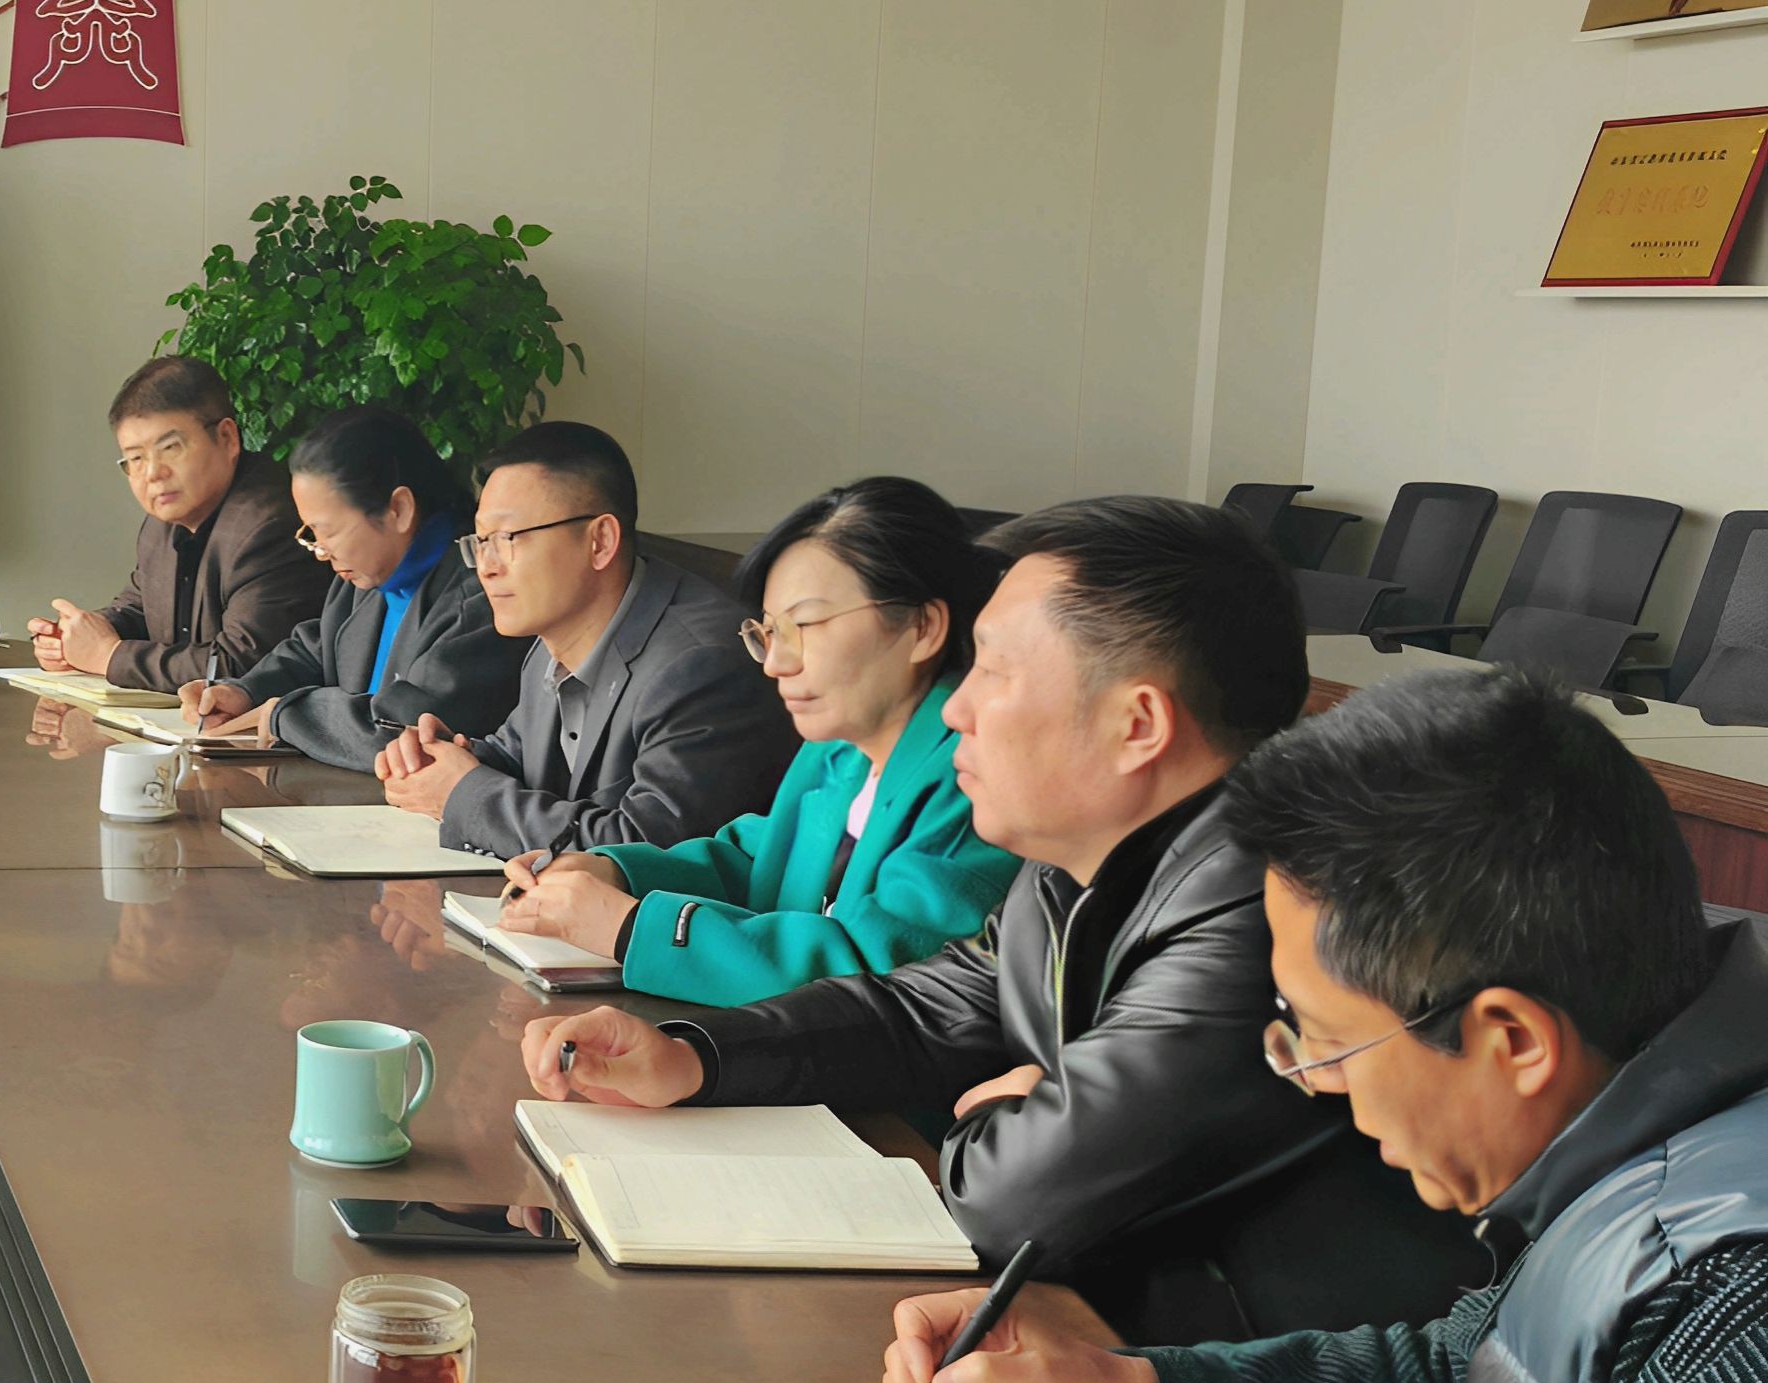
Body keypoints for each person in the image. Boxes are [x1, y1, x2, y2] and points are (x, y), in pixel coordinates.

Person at [844, 667, 1768, 1383]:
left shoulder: (1732, 1326)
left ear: (1512, 1039)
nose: (1316, 1081)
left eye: (1326, 1038)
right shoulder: (1650, 1116)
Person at [516, 497, 1475, 1339]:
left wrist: (1001, 1114)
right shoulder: (1077, 862)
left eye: (995, 673)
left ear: (1138, 725)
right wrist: (693, 1057)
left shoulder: (1262, 905)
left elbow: (1020, 1200)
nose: (956, 710)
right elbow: (917, 1009)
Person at [498, 476, 1020, 1007]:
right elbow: (758, 861)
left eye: (806, 626)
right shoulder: (839, 747)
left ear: (923, 627)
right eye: (769, 634)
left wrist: (633, 926)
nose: (776, 663)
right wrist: (613, 871)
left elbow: (880, 979)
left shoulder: (975, 776)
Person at [384, 420, 792, 854]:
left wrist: (463, 792)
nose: (486, 566)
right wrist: (441, 761)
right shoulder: (553, 637)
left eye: (507, 539)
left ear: (600, 541)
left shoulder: (701, 666)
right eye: (481, 541)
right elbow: (517, 758)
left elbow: (640, 850)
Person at [176, 406, 523, 771]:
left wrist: (286, 714)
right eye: (312, 533)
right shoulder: (369, 571)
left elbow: (405, 732)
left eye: (329, 532)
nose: (321, 551)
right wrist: (244, 692)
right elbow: (316, 650)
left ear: (399, 509)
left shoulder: (482, 593)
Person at [26, 356, 328, 693]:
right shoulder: (162, 525)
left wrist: (108, 656)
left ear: (227, 438)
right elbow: (139, 610)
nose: (153, 473)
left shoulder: (270, 523)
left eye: (170, 448)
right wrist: (73, 638)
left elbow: (242, 668)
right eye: (136, 458)